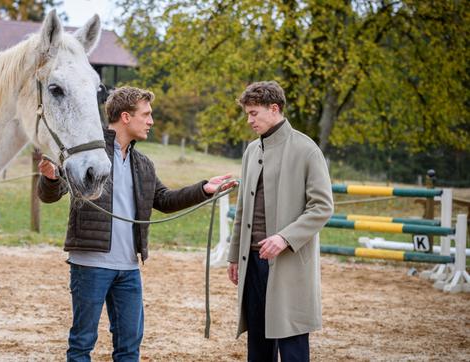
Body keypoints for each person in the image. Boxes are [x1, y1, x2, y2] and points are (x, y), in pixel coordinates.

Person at [37, 86, 236, 362]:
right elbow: (52, 194)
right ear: (126, 117)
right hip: (91, 264)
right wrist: (49, 178)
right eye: (147, 114)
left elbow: (164, 200)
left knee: (130, 347)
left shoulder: (143, 163)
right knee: (82, 344)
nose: (151, 121)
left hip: (129, 268)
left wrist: (204, 189)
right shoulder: (88, 154)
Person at [226, 81, 333, 361]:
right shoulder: (251, 151)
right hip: (252, 263)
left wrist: (285, 238)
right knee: (258, 346)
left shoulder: (307, 149)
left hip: (288, 264)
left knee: (292, 344)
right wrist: (234, 255)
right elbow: (242, 209)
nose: (249, 120)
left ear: (274, 109)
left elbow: (322, 207)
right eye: (247, 114)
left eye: (254, 113)